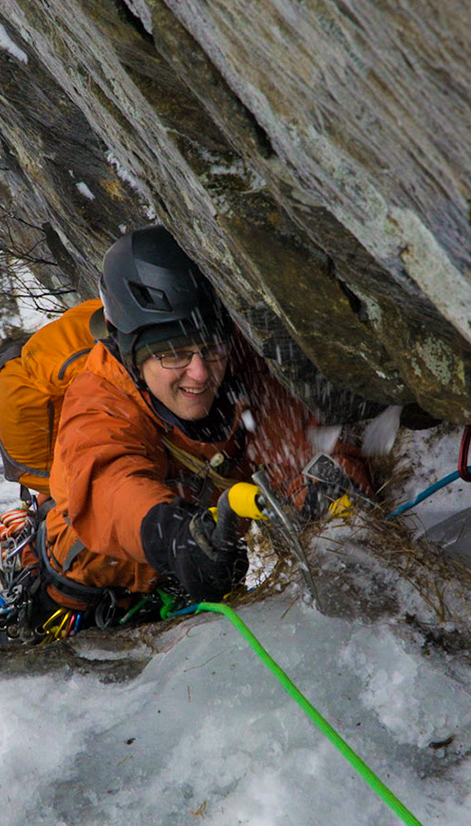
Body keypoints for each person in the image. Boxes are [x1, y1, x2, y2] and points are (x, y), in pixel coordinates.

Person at [39, 225, 370, 620]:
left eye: (210, 347)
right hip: (89, 600)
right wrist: (176, 537)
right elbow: (108, 484)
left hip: (197, 585)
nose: (199, 373)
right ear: (131, 356)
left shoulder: (240, 365)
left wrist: (331, 504)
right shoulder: (99, 399)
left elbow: (296, 441)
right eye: (173, 354)